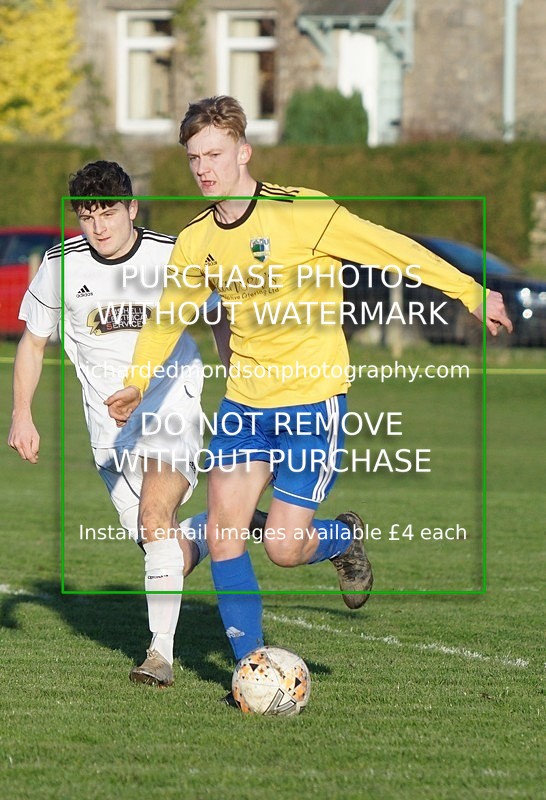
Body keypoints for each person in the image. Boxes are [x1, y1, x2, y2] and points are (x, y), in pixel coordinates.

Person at [106, 96, 513, 672]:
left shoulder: (304, 211)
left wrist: (471, 291)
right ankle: (251, 666)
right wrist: (135, 382)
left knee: (283, 547)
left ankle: (341, 539)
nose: (203, 168)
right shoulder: (197, 240)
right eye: (194, 157)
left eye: (215, 154)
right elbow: (168, 317)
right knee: (224, 534)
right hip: (244, 406)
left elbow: (391, 249)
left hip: (311, 404)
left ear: (244, 152)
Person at [7, 160, 262, 688]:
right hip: (108, 432)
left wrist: (241, 386)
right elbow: (33, 342)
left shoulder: (172, 256)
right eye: (87, 216)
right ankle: (234, 519)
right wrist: (21, 414)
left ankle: (158, 657)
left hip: (171, 406)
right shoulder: (60, 265)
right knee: (162, 549)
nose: (98, 227)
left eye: (108, 213)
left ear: (132, 208)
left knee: (154, 516)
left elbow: (220, 317)